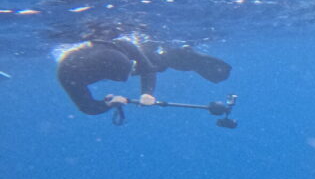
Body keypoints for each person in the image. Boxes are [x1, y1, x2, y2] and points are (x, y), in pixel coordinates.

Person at [57, 36, 231, 115]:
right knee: (153, 64)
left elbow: (148, 69)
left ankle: (182, 54)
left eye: (132, 69)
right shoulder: (68, 74)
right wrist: (108, 104)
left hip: (126, 53)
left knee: (156, 61)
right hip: (103, 62)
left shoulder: (123, 44)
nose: (130, 76)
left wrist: (147, 93)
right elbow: (86, 107)